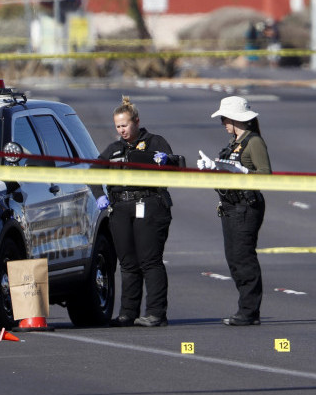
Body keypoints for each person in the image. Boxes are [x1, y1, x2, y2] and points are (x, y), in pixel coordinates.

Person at [95, 96, 178, 327]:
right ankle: (127, 313)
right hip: (121, 207)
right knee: (128, 263)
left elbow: (174, 166)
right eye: (118, 126)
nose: (122, 130)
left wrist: (167, 162)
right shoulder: (113, 150)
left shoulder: (155, 142)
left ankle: (156, 313)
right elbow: (92, 172)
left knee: (150, 260)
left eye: (125, 125)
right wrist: (98, 195)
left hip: (149, 205)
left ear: (137, 121)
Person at [197, 96, 272, 326]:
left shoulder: (254, 142)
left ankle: (249, 311)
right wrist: (213, 168)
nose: (222, 123)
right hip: (230, 205)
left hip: (246, 206)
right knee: (233, 258)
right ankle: (246, 307)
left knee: (243, 257)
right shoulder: (233, 143)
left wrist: (245, 173)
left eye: (224, 118)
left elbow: (266, 176)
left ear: (235, 118)